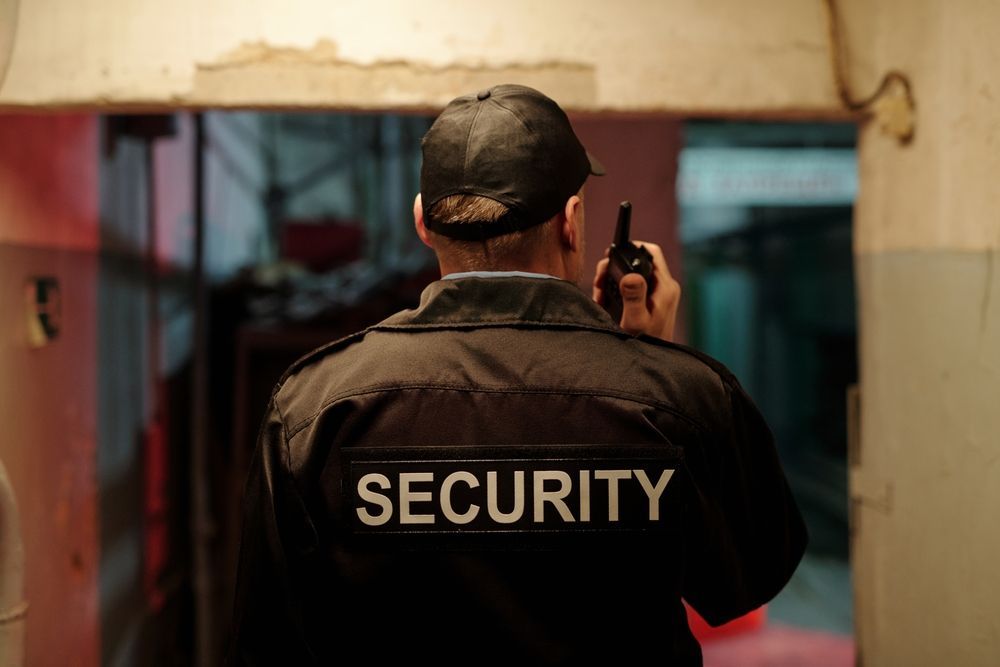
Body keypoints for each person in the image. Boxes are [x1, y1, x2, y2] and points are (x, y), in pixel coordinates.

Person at [227, 84, 807, 666]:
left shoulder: (316, 406)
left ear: (423, 223)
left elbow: (267, 637)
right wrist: (652, 365)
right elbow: (749, 576)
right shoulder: (687, 397)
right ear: (572, 222)